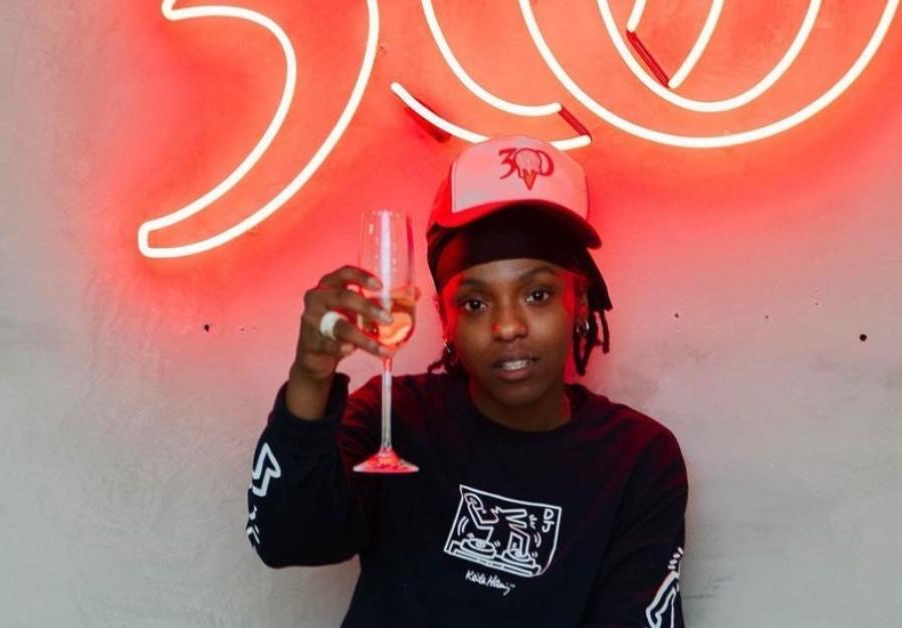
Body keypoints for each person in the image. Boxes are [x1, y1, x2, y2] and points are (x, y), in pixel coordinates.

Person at [246, 135, 688, 627]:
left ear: (580, 303)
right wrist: (311, 376)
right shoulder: (396, 417)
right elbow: (286, 539)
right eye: (475, 304)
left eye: (537, 295)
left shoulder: (639, 458)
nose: (507, 326)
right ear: (445, 320)